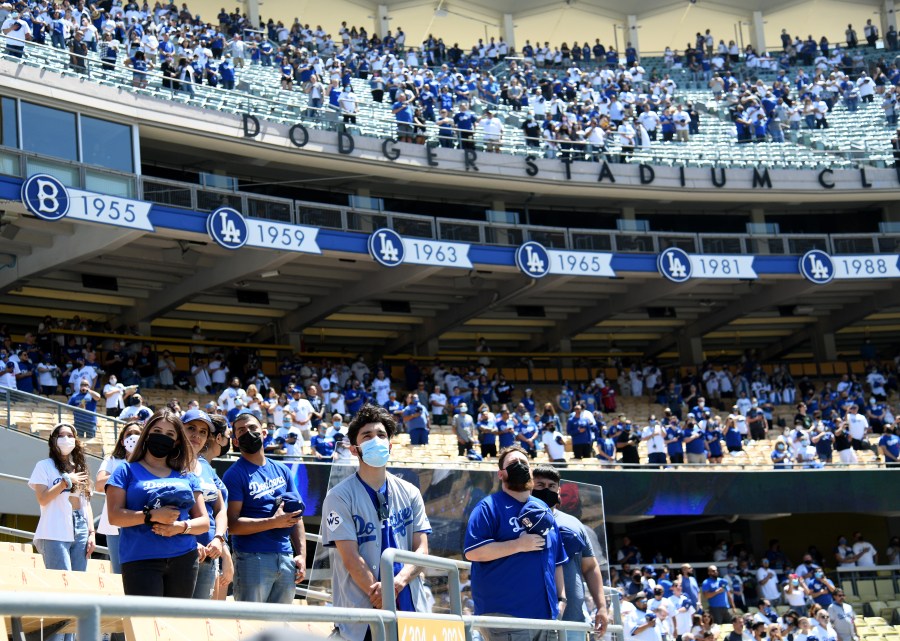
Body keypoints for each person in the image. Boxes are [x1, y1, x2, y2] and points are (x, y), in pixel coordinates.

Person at [321, 404, 432, 641]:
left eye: (381, 435)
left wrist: (398, 582)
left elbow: (422, 549)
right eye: (367, 436)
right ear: (354, 449)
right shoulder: (338, 496)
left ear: (390, 446)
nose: (376, 440)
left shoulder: (410, 492)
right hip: (363, 612)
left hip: (409, 608)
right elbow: (351, 559)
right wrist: (382, 596)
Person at [464, 445, 567, 641]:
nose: (519, 466)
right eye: (513, 464)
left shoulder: (543, 508)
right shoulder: (488, 506)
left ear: (531, 471)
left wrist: (562, 599)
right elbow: (473, 551)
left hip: (548, 618)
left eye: (524, 463)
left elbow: (558, 560)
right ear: (501, 474)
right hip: (507, 616)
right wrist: (518, 545)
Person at [106, 408, 208, 597]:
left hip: (184, 558)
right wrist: (150, 516)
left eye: (170, 434)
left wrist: (179, 527)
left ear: (177, 440)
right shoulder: (125, 471)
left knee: (176, 624)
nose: (163, 438)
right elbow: (114, 516)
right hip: (140, 558)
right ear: (146, 435)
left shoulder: (187, 476)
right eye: (157, 432)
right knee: (145, 623)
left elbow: (203, 522)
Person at [223, 411, 306, 604]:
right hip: (252, 558)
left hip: (286, 557)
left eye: (252, 428)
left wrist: (301, 554)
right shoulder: (234, 474)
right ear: (235, 441)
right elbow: (232, 525)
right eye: (241, 431)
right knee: (252, 626)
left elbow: (297, 516)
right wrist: (273, 522)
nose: (248, 433)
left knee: (279, 627)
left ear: (264, 433)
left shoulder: (282, 470)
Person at [532, 465, 609, 640]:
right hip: (532, 621)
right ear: (530, 486)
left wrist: (602, 607)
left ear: (558, 490)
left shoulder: (574, 523)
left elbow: (590, 567)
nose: (546, 490)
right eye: (540, 485)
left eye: (551, 486)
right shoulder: (518, 521)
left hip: (574, 621)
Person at [29, 423, 95, 573]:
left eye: (70, 436)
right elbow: (43, 499)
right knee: (61, 580)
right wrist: (65, 482)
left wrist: (91, 533)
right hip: (54, 527)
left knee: (79, 581)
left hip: (81, 527)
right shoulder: (44, 466)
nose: (66, 439)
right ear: (53, 440)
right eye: (61, 435)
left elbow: (86, 504)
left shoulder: (80, 468)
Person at [182, 409, 230, 600]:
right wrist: (190, 542)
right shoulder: (171, 464)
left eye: (203, 432)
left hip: (210, 556)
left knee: (200, 621)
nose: (197, 435)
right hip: (182, 554)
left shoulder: (207, 468)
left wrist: (219, 539)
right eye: (191, 428)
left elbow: (220, 509)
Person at [95, 420, 143, 573]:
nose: (133, 437)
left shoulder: (148, 462)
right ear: (122, 441)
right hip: (114, 524)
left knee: (138, 570)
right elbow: (99, 484)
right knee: (118, 571)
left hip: (139, 521)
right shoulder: (112, 460)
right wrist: (124, 474)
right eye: (129, 434)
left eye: (137, 433)